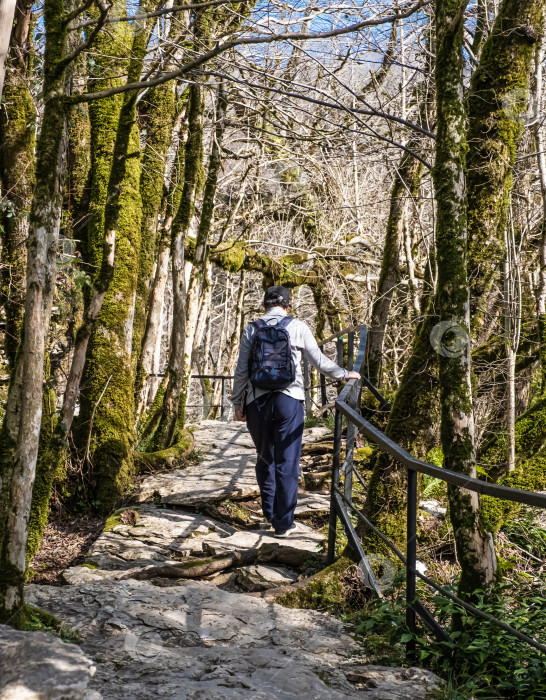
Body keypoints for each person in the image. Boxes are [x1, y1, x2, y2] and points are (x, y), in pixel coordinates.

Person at [231, 285, 360, 537]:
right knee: (287, 462)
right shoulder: (297, 327)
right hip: (289, 400)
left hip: (257, 402)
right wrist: (345, 374)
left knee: (264, 457)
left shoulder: (251, 328)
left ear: (264, 305)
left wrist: (238, 403)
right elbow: (319, 361)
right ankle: (283, 523)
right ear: (287, 306)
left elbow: (241, 371)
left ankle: (269, 512)